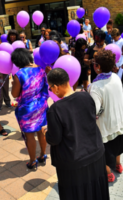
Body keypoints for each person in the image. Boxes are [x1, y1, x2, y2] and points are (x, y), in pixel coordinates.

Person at [46, 68, 109, 200]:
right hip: (96, 152)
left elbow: (55, 139)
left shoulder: (56, 109)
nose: (51, 91)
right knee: (95, 189)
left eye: (50, 88)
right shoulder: (86, 96)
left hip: (73, 160)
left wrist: (46, 132)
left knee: (76, 193)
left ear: (56, 87)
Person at [88, 49, 123, 182]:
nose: (93, 65)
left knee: (106, 150)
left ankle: (108, 173)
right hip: (120, 118)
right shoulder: (116, 77)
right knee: (118, 144)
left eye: (94, 63)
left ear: (98, 67)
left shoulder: (95, 86)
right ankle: (118, 165)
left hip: (107, 123)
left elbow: (95, 111)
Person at [12, 48, 49, 169]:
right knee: (41, 131)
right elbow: (45, 87)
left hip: (27, 109)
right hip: (41, 105)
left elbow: (14, 94)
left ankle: (33, 161)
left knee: (29, 136)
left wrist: (13, 85)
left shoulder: (19, 74)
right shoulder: (40, 69)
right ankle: (43, 155)